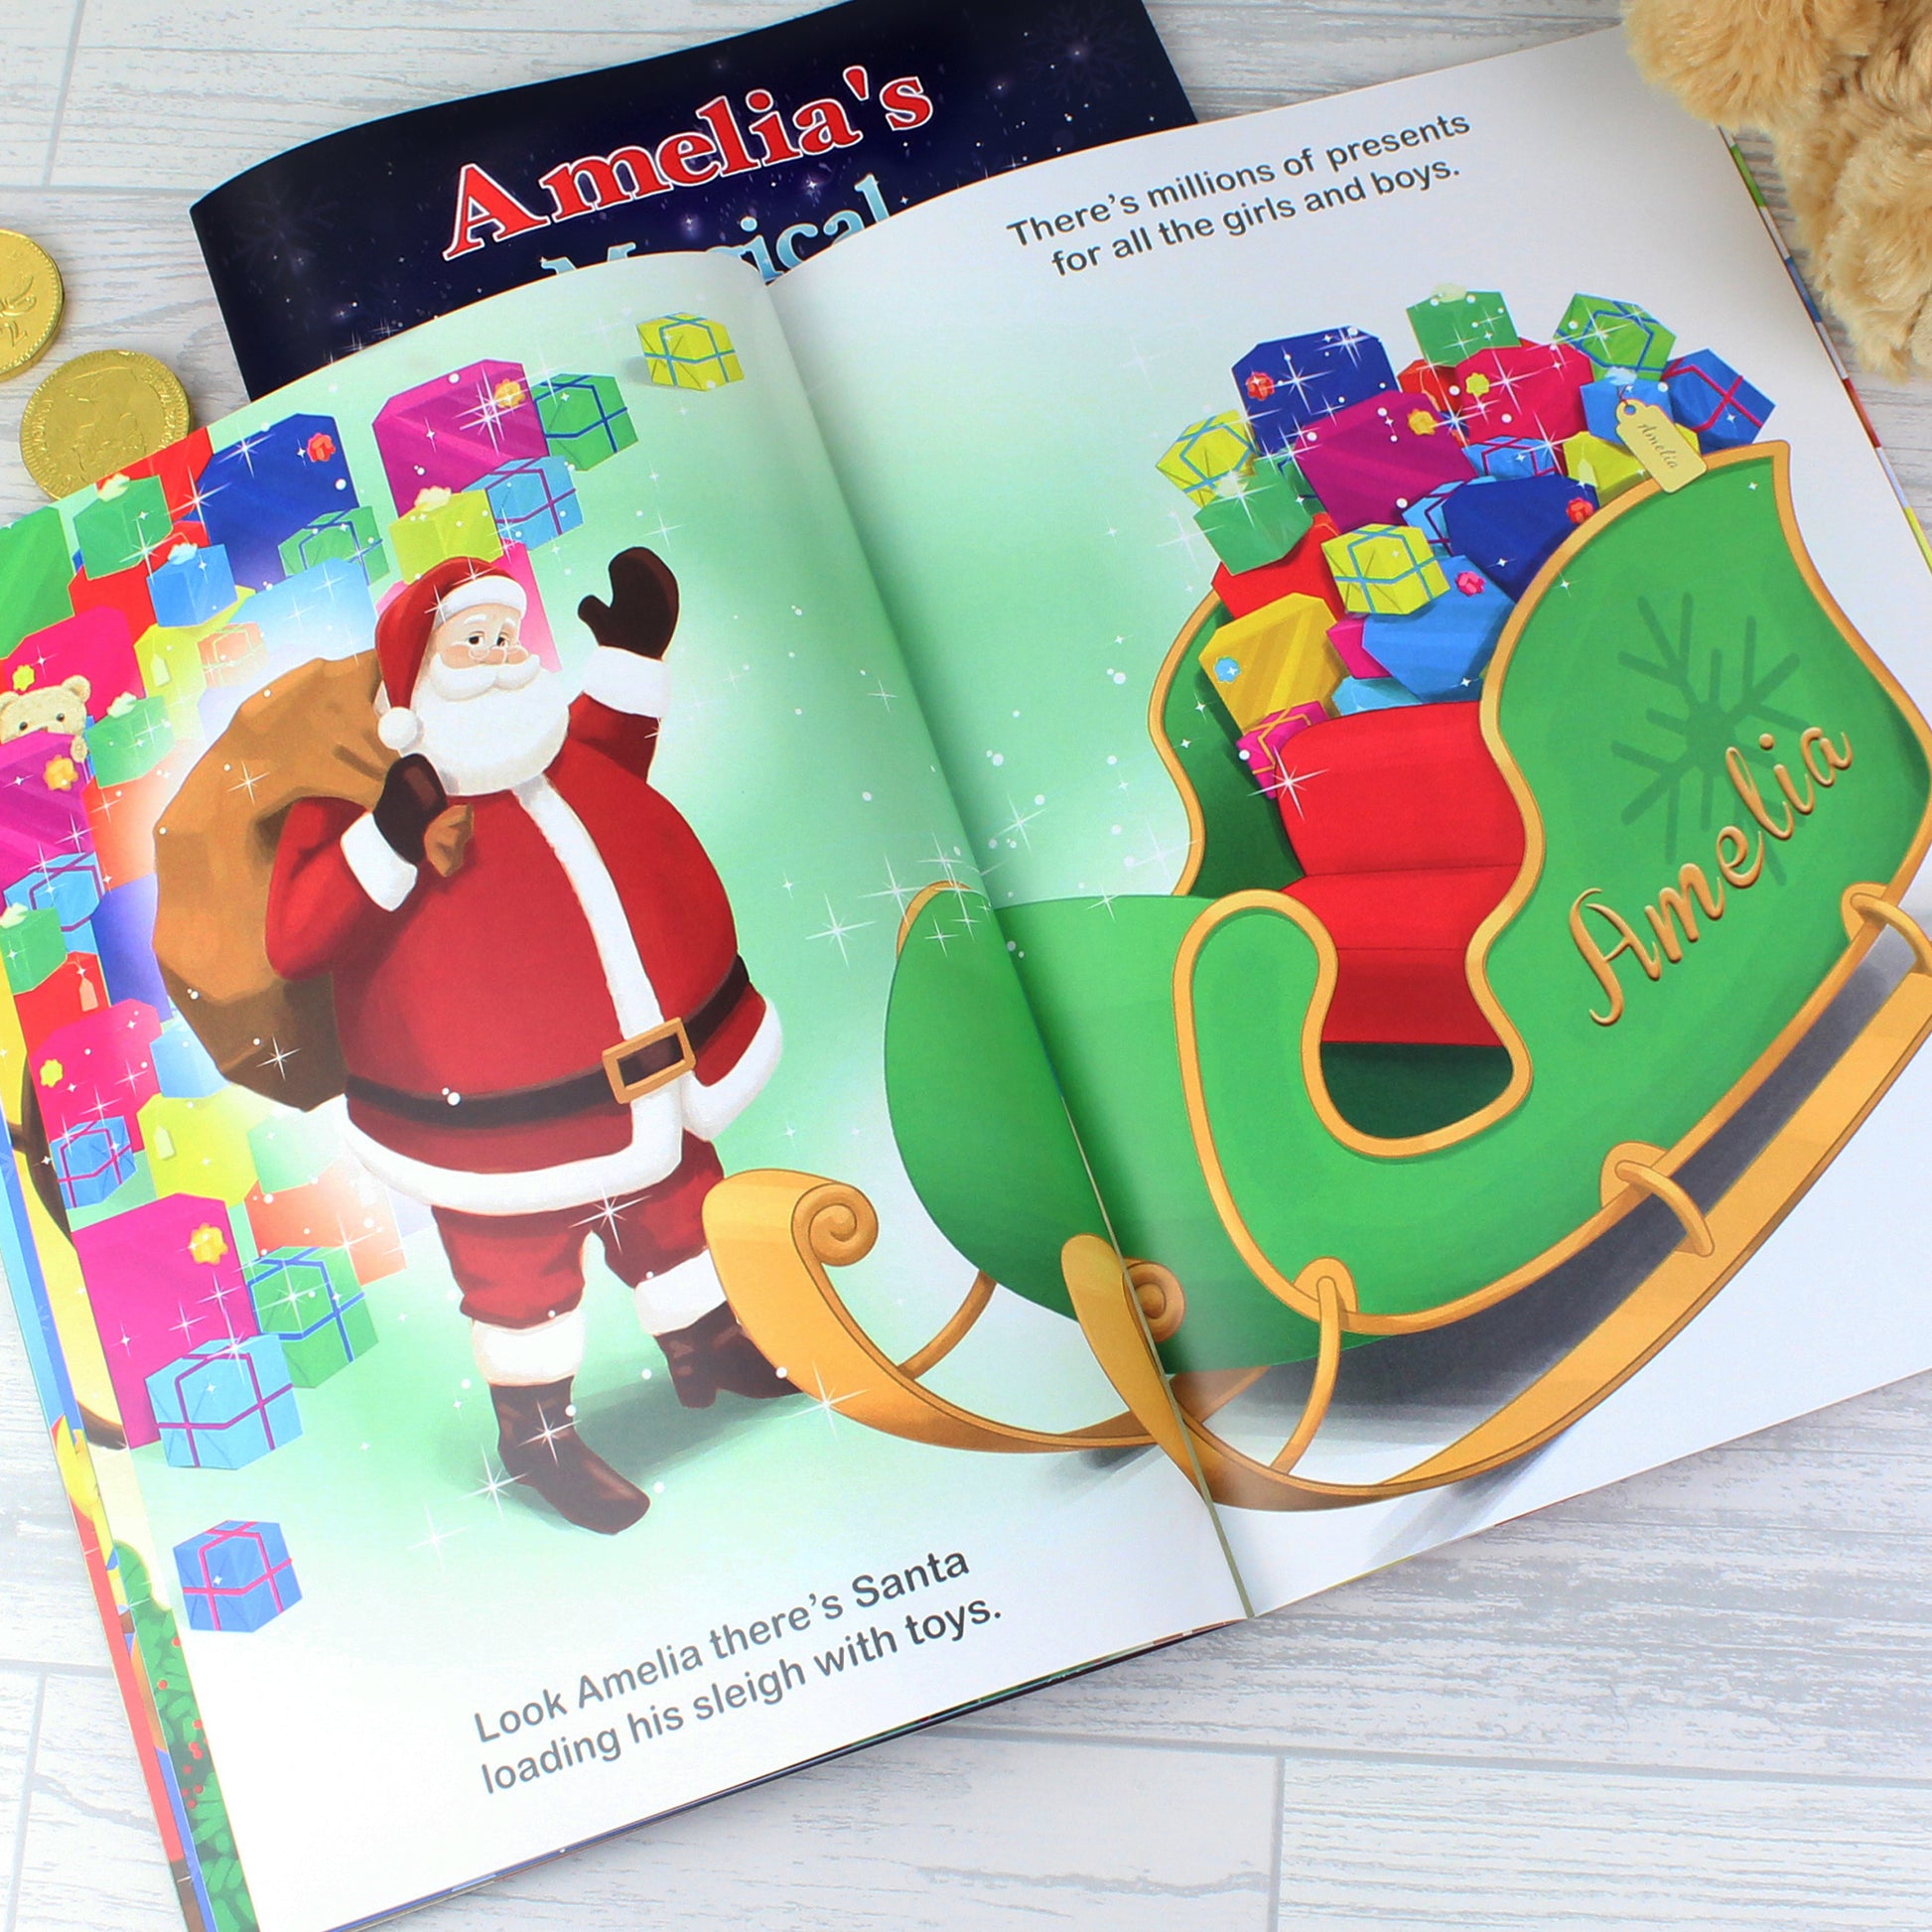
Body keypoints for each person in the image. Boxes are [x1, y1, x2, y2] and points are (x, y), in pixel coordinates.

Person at [266, 549, 793, 1535]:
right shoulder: (361, 798)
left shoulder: (547, 754)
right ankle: (538, 1434)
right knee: (518, 1269)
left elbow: (609, 753)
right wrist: (387, 832)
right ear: (412, 682)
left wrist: (631, 655)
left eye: (506, 635)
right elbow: (297, 936)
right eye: (472, 640)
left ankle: (709, 1340)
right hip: (488, 1118)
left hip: (648, 1074)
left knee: (678, 1206)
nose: (503, 655)